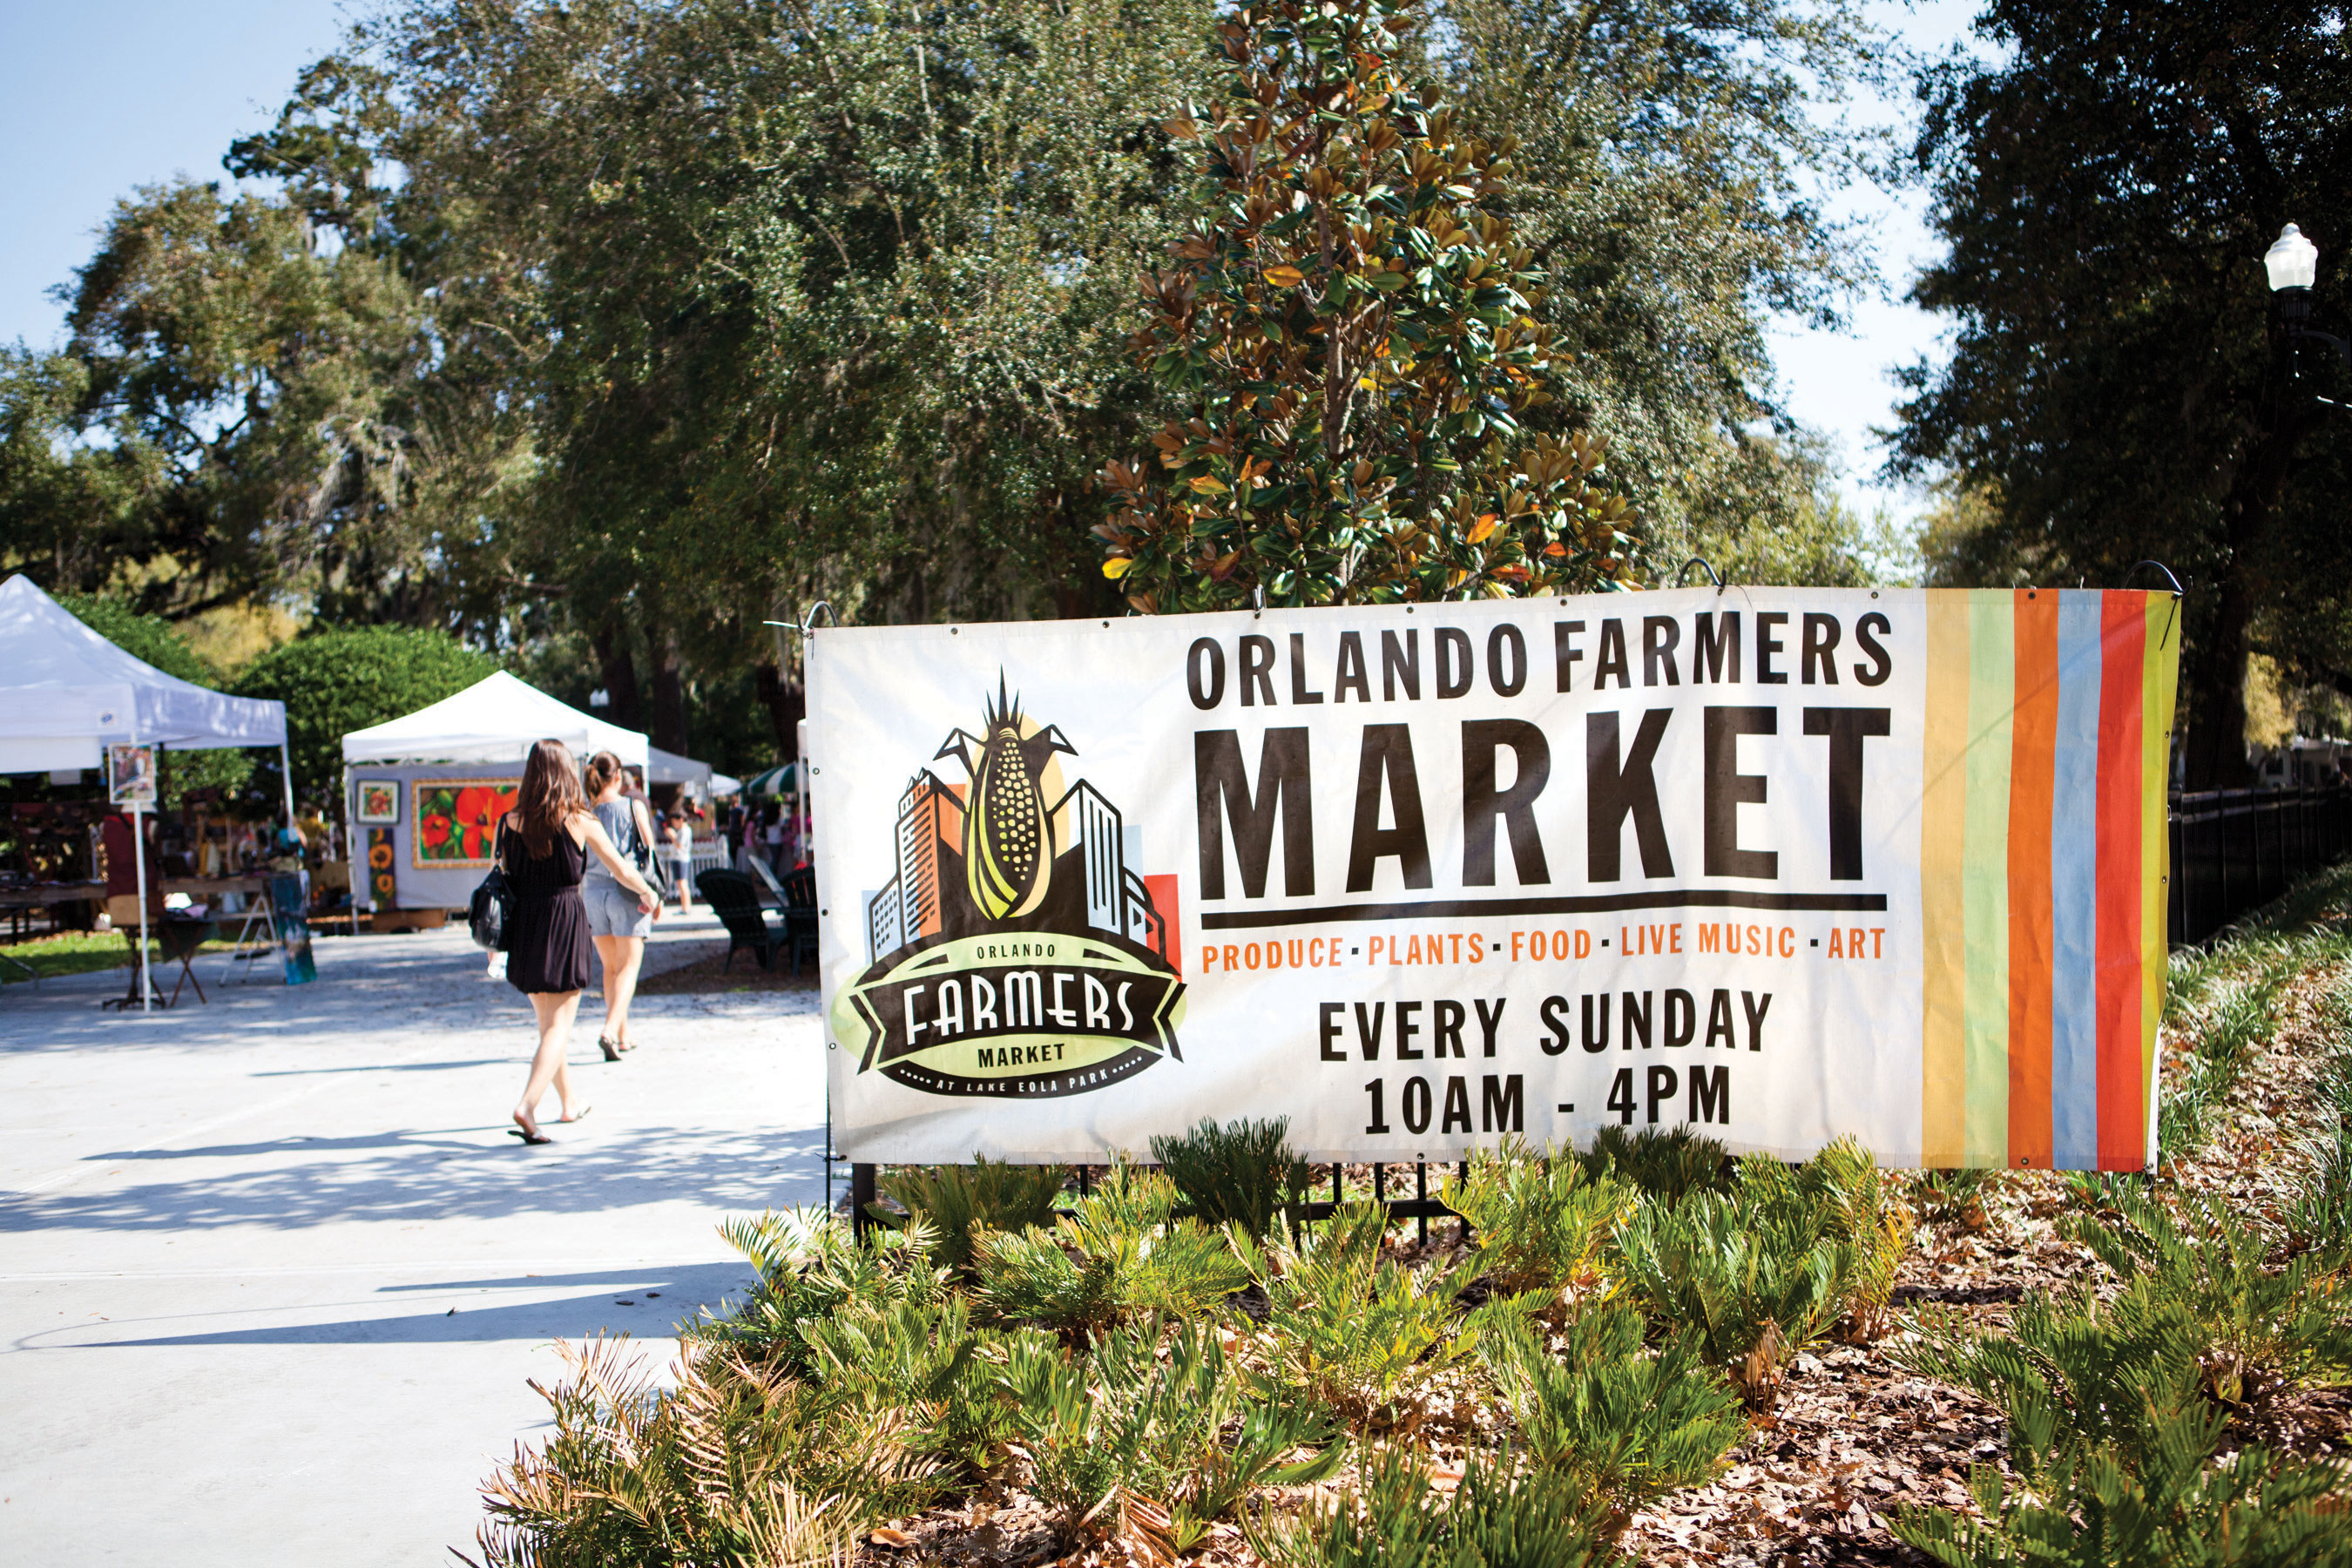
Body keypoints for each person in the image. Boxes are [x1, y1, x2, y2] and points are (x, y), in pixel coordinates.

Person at [501, 739, 658, 1144]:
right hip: (563, 920)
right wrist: (649, 893)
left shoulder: (510, 821)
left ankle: (569, 1103)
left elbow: (499, 875)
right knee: (561, 1025)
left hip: (525, 925)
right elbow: (621, 868)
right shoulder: (578, 820)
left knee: (546, 1024)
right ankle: (527, 1106)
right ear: (567, 772)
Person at [580, 750, 663, 1063]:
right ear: (618, 777)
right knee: (630, 967)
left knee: (610, 968)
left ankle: (623, 1034)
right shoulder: (633, 806)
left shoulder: (586, 812)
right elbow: (649, 853)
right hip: (627, 892)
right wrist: (653, 893)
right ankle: (611, 1030)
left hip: (593, 894)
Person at [663, 808, 696, 914]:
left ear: (680, 820)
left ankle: (685, 907)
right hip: (683, 858)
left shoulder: (684, 830)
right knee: (683, 883)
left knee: (682, 883)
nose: (673, 824)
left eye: (674, 821)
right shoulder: (686, 830)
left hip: (680, 858)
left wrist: (672, 836)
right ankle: (686, 906)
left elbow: (679, 845)